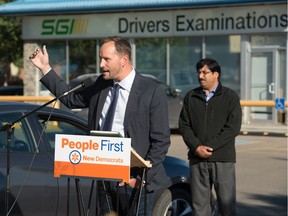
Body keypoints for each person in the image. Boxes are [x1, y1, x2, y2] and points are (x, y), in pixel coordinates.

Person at [29, 36, 171, 215]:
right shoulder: (102, 84)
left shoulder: (151, 91)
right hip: (104, 177)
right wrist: (45, 68)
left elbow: (161, 141)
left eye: (106, 59)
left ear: (124, 60)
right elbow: (71, 99)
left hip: (133, 180)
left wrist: (141, 179)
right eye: (100, 58)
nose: (101, 64)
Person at [178, 58, 242, 216]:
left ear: (216, 74)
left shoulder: (230, 97)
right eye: (199, 72)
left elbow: (233, 127)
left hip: (222, 159)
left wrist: (210, 147)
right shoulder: (191, 97)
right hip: (197, 159)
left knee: (226, 206)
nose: (200, 75)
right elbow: (184, 125)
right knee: (200, 208)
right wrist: (196, 147)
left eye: (205, 72)